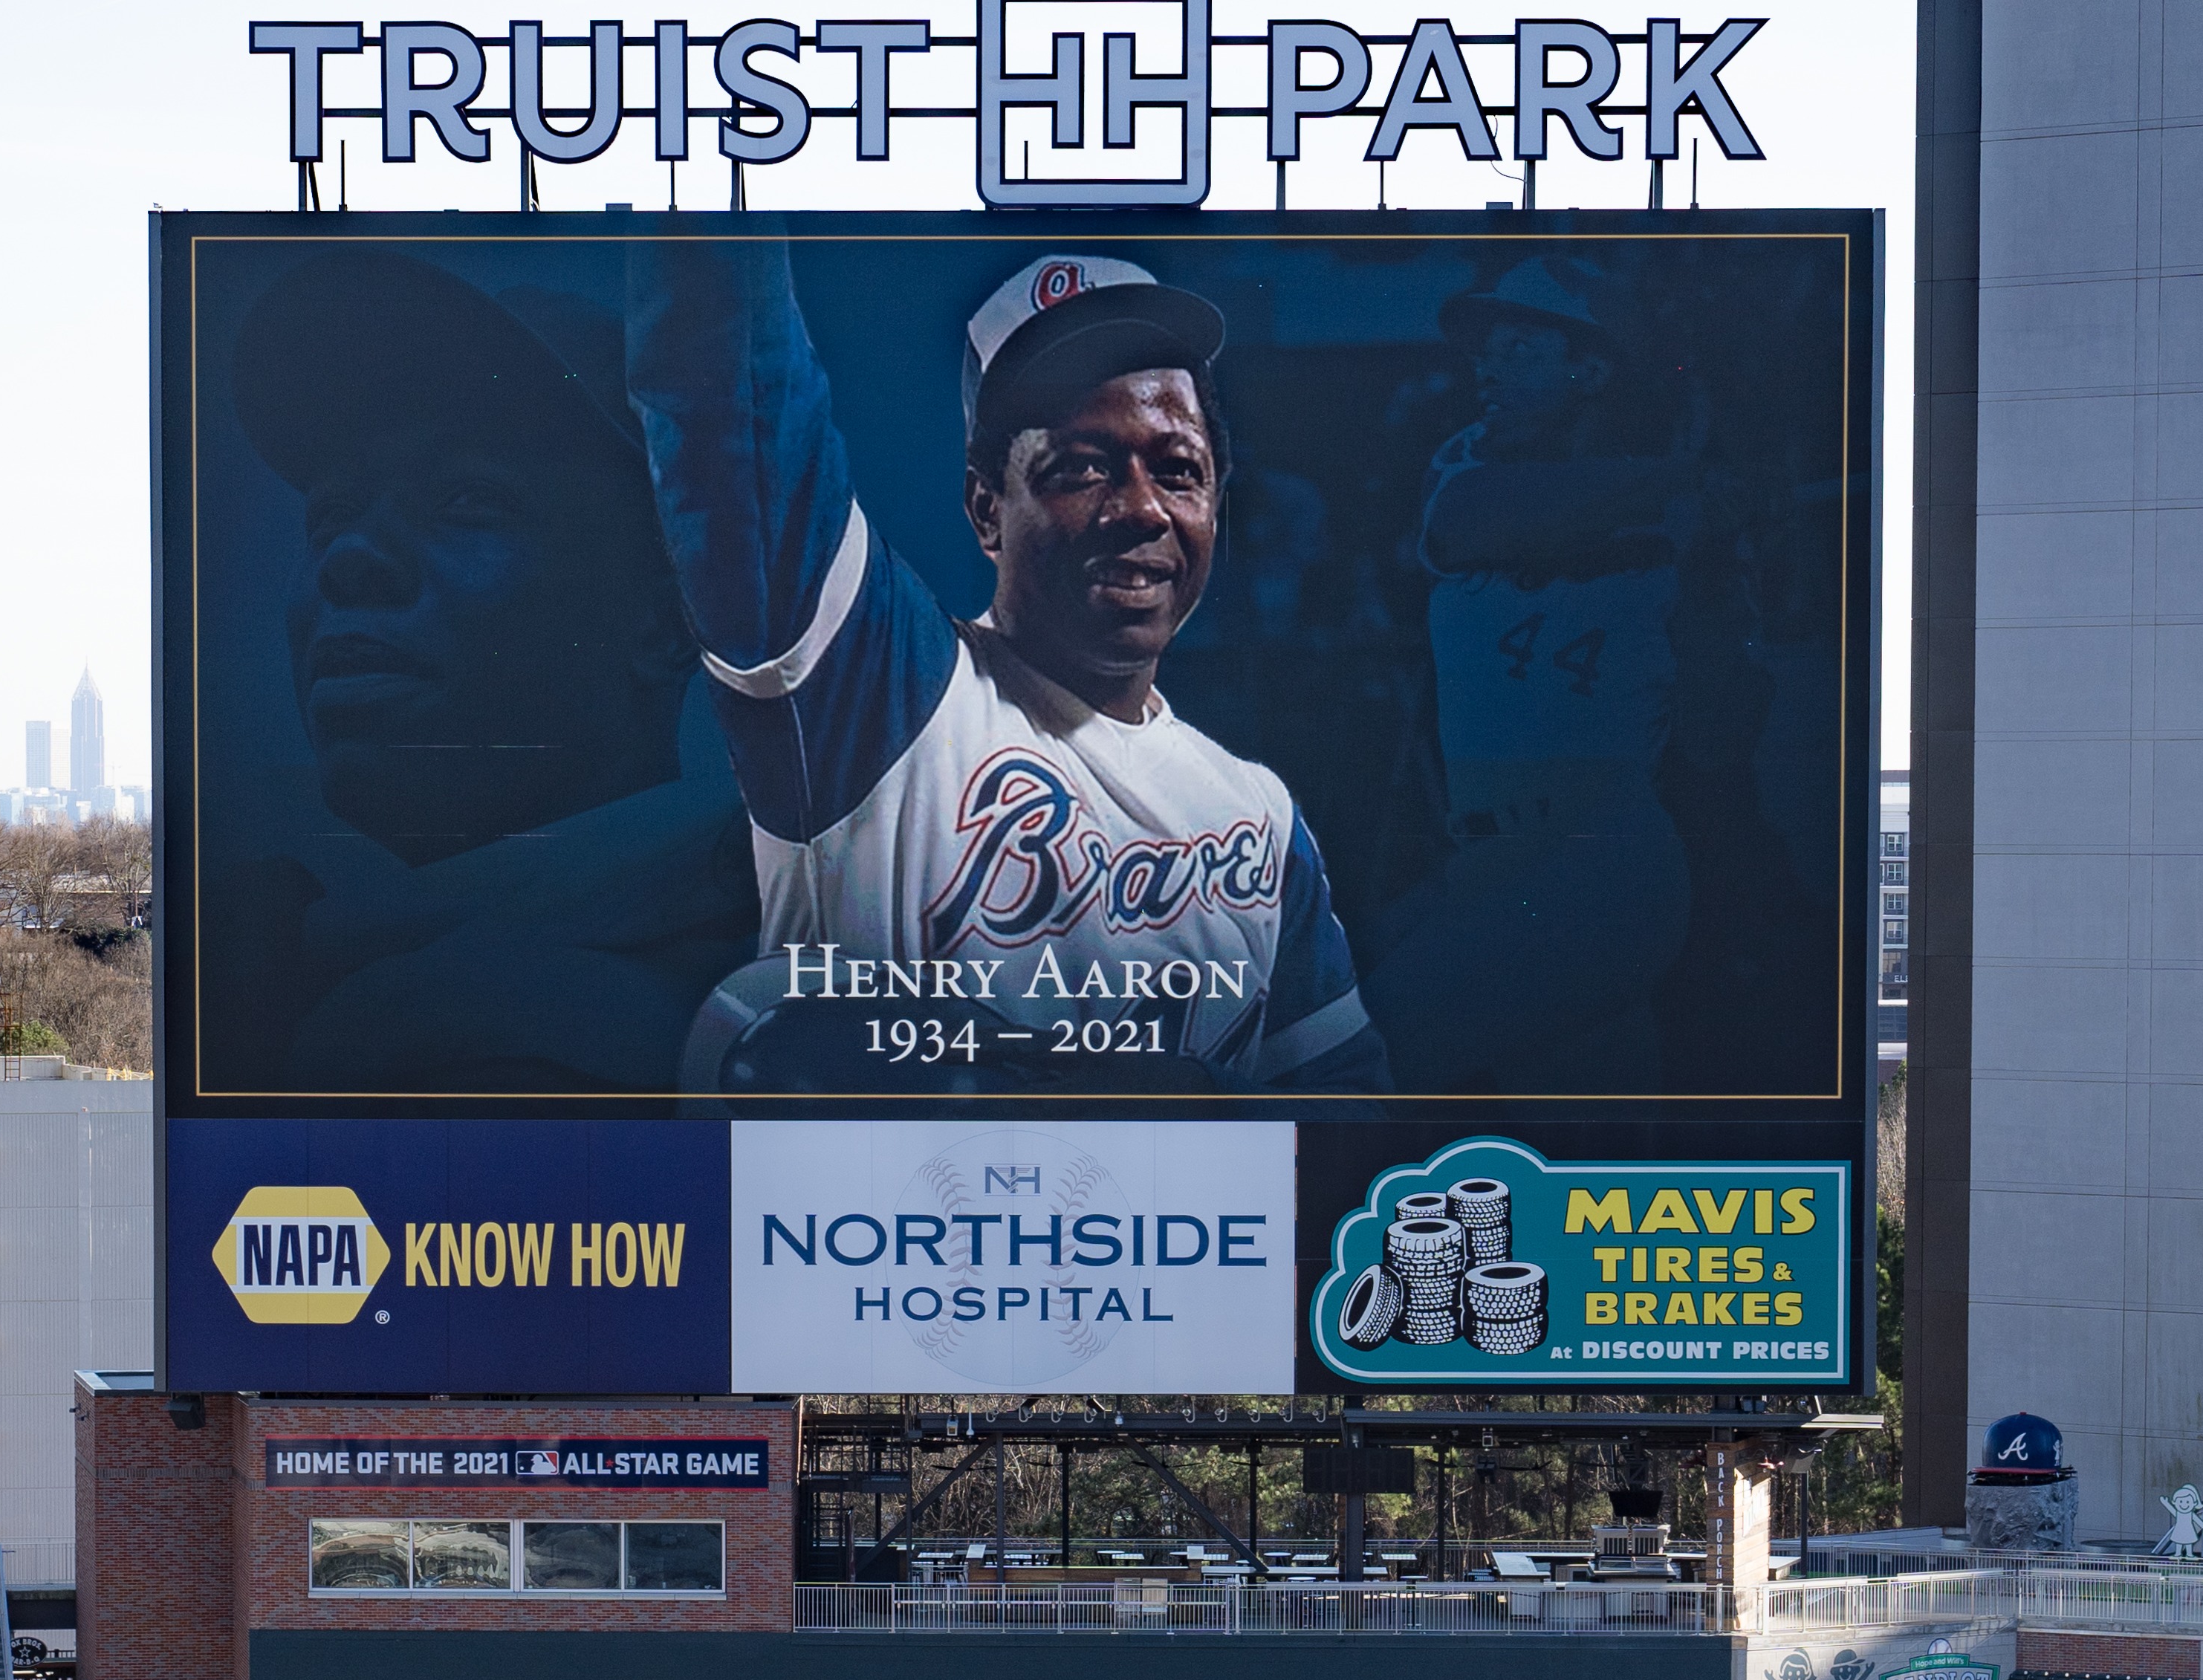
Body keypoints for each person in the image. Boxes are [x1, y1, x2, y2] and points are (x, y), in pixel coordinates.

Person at [627, 236, 1384, 1095]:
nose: (1141, 508)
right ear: (989, 510)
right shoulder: (882, 694)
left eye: (1179, 471)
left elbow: (1345, 1118)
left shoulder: (1261, 817)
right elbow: (731, 407)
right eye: (1082, 469)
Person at [214, 250, 755, 1094]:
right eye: (331, 517)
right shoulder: (284, 940)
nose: (350, 557)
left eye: (468, 502)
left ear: (671, 621)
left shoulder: (758, 994)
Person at [1361, 258, 1703, 1093]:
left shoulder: (1669, 480)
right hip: (1491, 857)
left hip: (1599, 853)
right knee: (1581, 1140)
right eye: (1488, 349)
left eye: (1519, 348)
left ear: (1590, 368)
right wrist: (1680, 477)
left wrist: (1691, 480)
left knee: (1356, 1056)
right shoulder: (1466, 465)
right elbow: (1473, 522)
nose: (1487, 366)